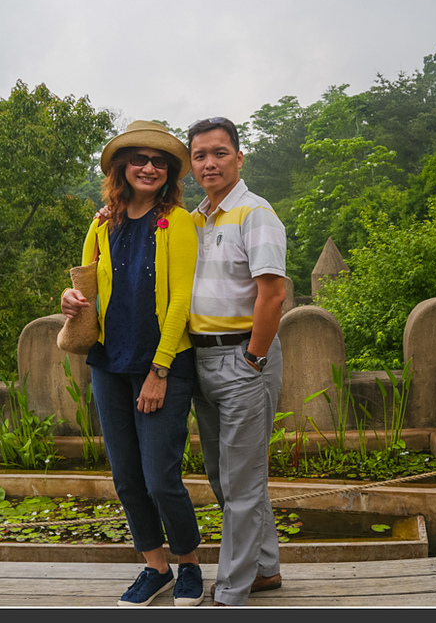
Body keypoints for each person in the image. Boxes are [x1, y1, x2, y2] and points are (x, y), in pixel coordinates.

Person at [60, 120, 204, 607]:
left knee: (162, 476)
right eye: (139, 159)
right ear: (122, 167)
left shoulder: (177, 221)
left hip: (162, 364)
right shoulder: (103, 222)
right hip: (108, 364)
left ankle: (189, 565)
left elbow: (181, 300)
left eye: (158, 161)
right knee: (126, 476)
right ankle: (155, 566)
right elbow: (85, 288)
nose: (148, 167)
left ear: (168, 173)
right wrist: (69, 300)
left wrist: (159, 371)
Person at [185, 116, 287, 607]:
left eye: (219, 152)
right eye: (200, 155)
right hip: (201, 360)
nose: (210, 163)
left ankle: (230, 592)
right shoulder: (194, 219)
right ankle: (264, 568)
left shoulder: (255, 213)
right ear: (191, 164)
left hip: (244, 357)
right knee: (221, 476)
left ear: (239, 158)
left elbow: (273, 294)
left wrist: (253, 359)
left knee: (243, 482)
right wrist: (108, 213)